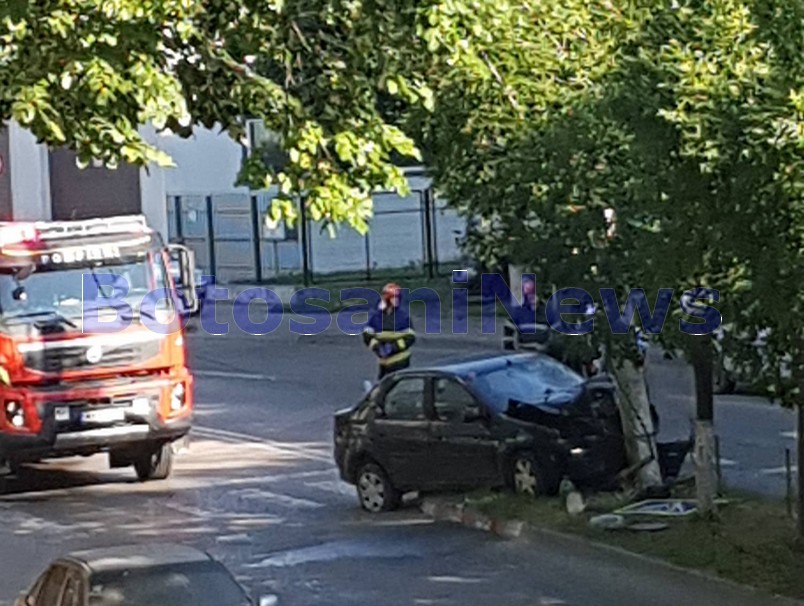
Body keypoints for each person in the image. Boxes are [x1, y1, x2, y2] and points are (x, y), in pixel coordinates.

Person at [362, 282, 416, 380]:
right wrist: (377, 347)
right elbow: (367, 334)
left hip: (400, 362)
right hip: (383, 363)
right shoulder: (377, 317)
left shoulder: (402, 317)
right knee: (382, 387)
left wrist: (393, 348)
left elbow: (410, 337)